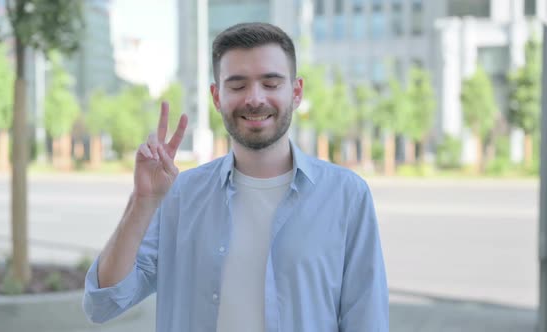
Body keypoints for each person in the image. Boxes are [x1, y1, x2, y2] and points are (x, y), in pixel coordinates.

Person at [83, 22, 388, 332]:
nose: (254, 99)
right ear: (217, 96)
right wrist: (142, 203)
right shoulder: (180, 195)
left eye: (271, 84)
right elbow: (103, 303)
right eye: (238, 85)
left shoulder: (346, 195)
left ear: (296, 92)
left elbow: (367, 320)